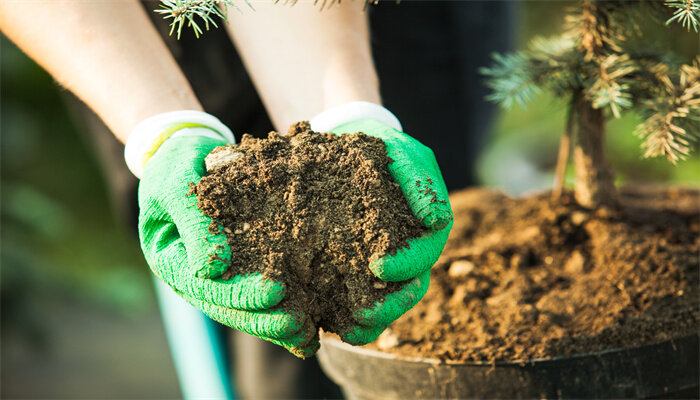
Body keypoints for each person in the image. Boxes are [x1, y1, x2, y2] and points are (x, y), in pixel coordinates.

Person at [0, 1, 511, 398]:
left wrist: (344, 112)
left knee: (431, 314)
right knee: (253, 330)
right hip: (131, 30)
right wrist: (164, 128)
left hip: (367, 25)